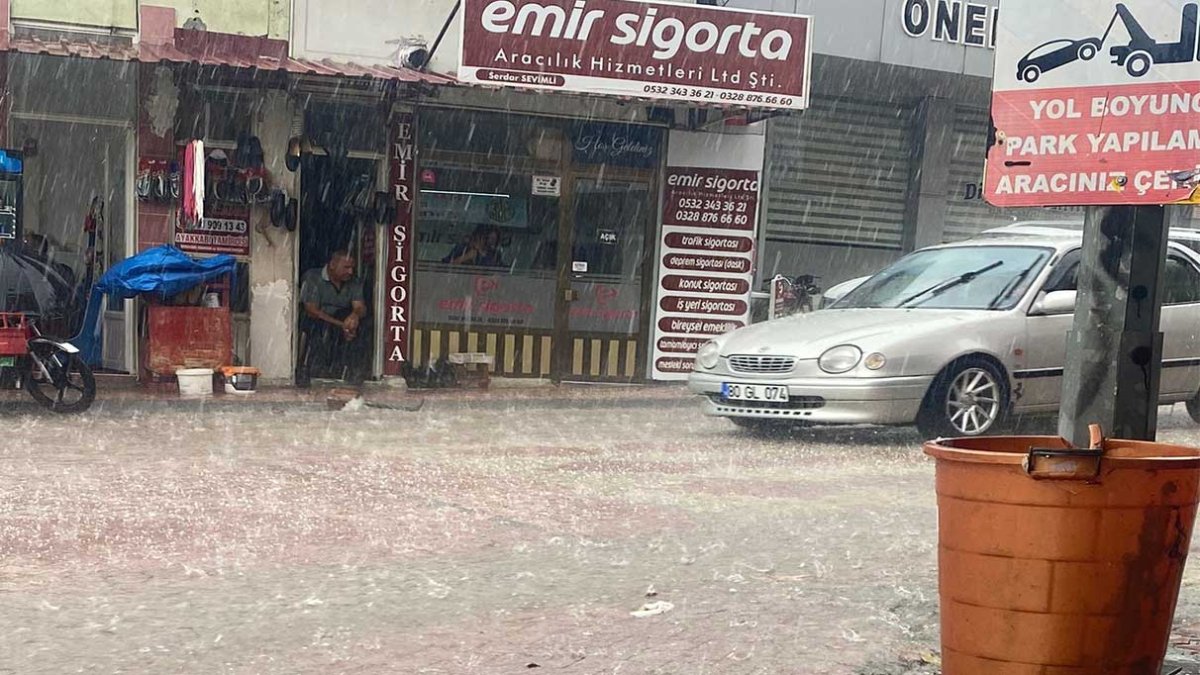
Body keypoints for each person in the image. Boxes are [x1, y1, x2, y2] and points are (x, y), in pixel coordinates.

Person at [297, 250, 368, 386]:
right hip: (319, 320)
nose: (350, 272)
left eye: (352, 267)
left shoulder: (354, 281)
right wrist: (341, 325)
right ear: (332, 265)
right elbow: (312, 310)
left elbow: (359, 307)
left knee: (362, 327)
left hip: (342, 319)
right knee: (315, 328)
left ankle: (352, 371)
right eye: (346, 267)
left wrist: (354, 317)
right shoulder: (313, 277)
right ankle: (308, 370)